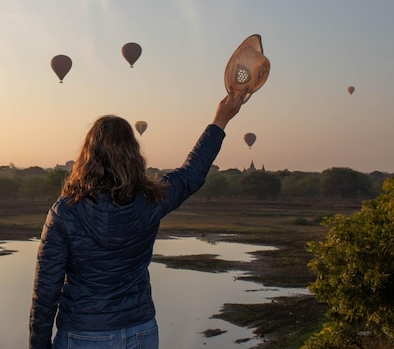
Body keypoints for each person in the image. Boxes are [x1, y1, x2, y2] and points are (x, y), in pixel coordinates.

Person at [29, 89, 248, 349]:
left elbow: (46, 292)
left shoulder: (65, 212)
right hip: (140, 331)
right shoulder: (149, 201)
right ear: (132, 153)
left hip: (85, 332)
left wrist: (38, 345)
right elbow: (192, 174)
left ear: (88, 155)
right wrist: (220, 120)